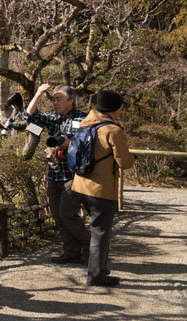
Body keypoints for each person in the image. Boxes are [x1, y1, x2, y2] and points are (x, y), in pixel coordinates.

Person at [19, 83, 91, 264]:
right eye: (53, 99)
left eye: (59, 99)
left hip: (74, 174)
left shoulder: (84, 118)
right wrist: (38, 94)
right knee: (58, 216)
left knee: (67, 213)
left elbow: (90, 143)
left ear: (71, 100)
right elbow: (26, 116)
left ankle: (92, 247)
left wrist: (71, 144)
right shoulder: (52, 118)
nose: (55, 102)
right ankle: (71, 251)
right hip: (54, 172)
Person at [71, 90, 136, 287]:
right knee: (100, 232)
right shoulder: (113, 131)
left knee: (95, 229)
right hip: (101, 190)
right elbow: (124, 162)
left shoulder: (85, 123)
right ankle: (96, 276)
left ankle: (98, 268)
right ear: (116, 109)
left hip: (80, 185)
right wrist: (133, 157)